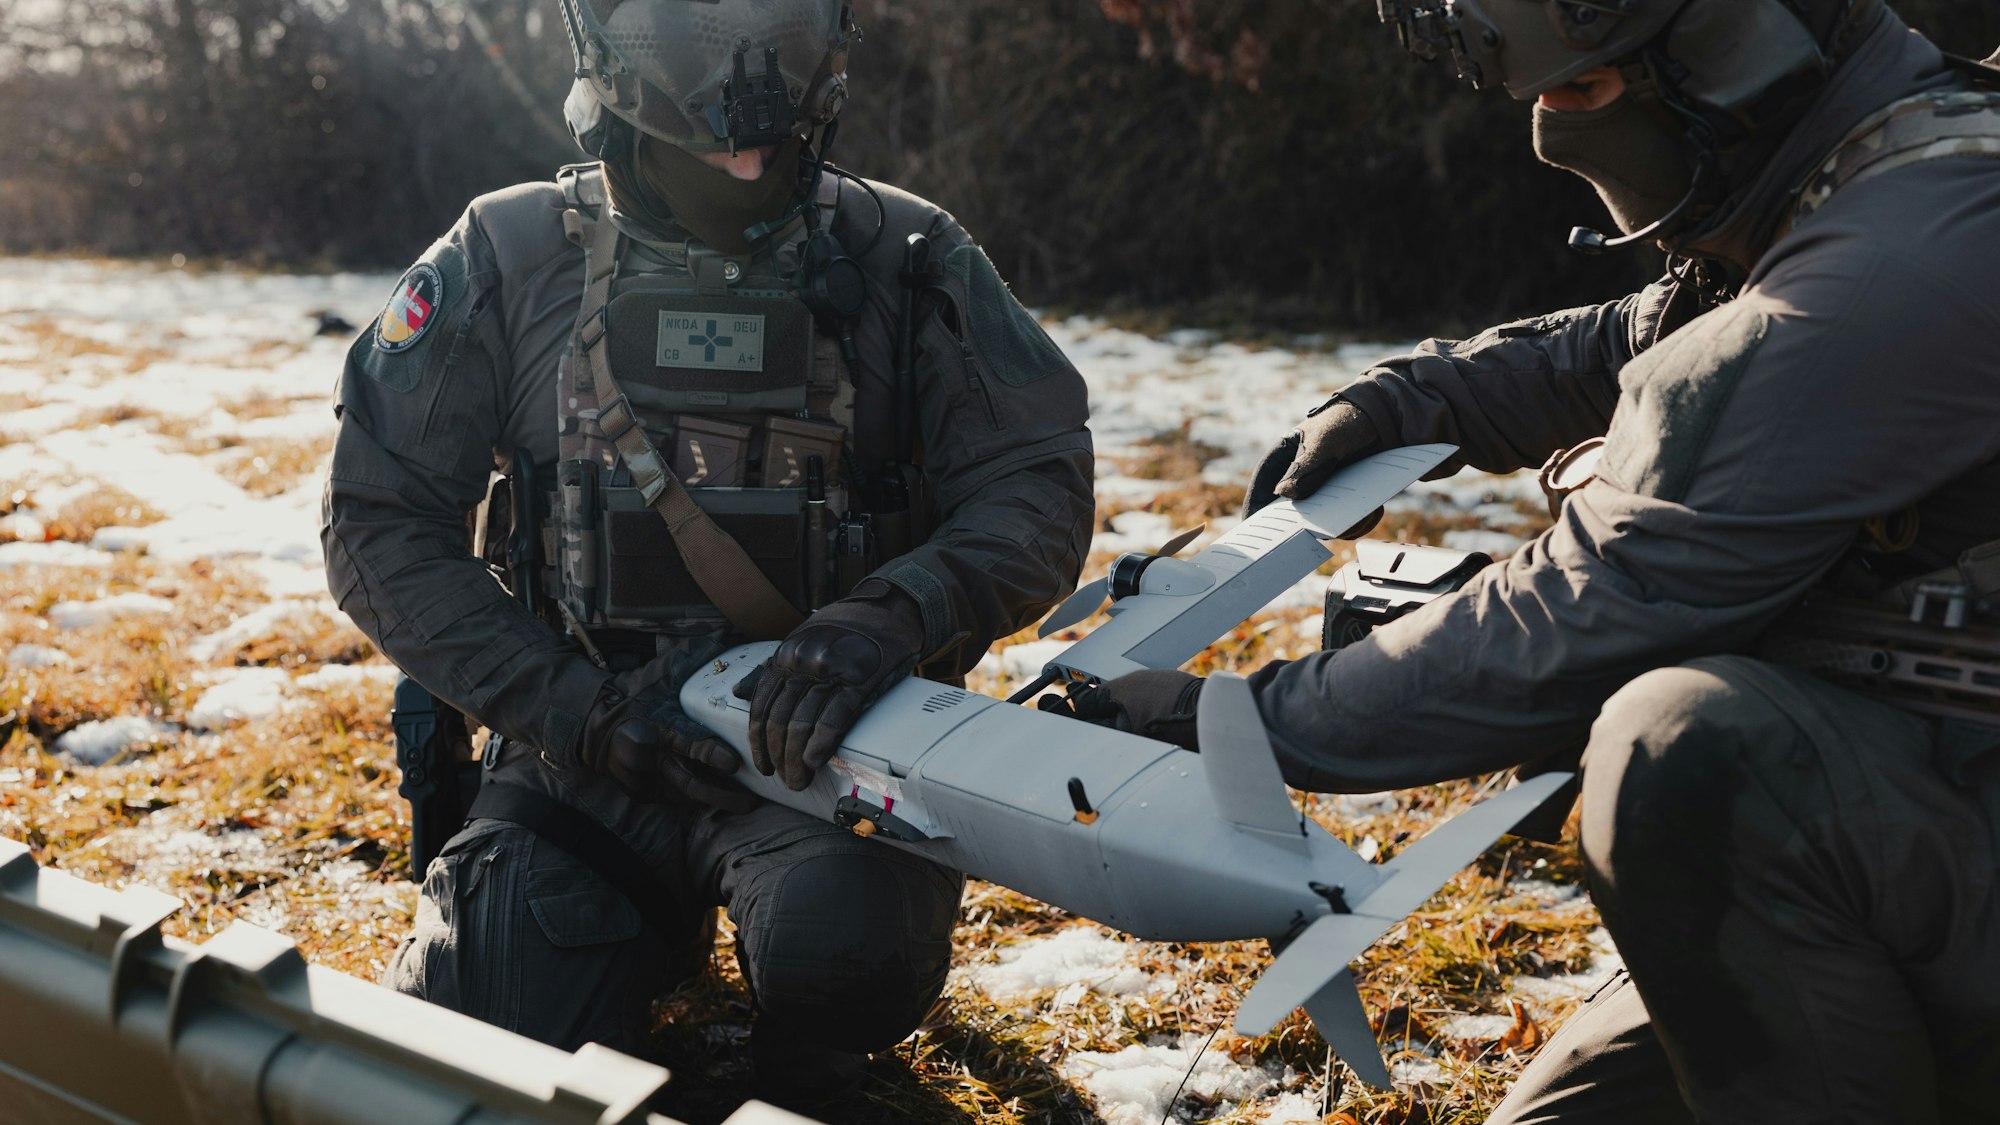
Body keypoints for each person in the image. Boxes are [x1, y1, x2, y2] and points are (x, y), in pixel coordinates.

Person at [1056, 1, 2000, 1120]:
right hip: (1908, 815)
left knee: (1687, 745)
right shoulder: (1857, 169)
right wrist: (1423, 394)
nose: (1552, 134)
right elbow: (1651, 335)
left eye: (1581, 92)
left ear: (1719, 58)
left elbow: (1600, 602)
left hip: (1920, 815)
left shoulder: (1911, 241)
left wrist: (1235, 724)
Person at [321, 0, 1093, 1109]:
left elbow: (1036, 482)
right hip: (581, 755)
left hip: (825, 760)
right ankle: (627, 913)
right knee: (483, 1028)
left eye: (768, 131)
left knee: (849, 959)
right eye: (714, 135)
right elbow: (374, 520)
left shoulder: (907, 255)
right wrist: (570, 710)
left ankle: (773, 977)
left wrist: (893, 617)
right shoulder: (510, 252)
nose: (744, 149)